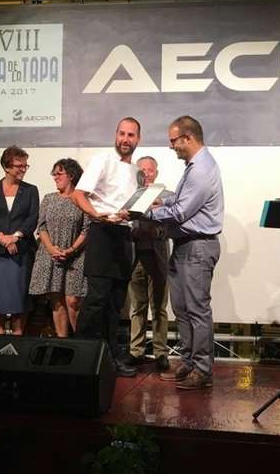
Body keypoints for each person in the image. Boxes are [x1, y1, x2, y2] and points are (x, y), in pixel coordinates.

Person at [147, 116, 224, 390]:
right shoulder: (194, 167)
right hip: (184, 246)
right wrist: (162, 199)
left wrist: (145, 211)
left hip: (197, 246)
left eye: (173, 141)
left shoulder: (201, 169)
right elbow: (180, 200)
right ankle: (190, 363)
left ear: (188, 137)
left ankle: (202, 370)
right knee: (181, 308)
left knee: (197, 310)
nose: (171, 146)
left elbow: (180, 212)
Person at [71, 117, 141, 377]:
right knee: (97, 299)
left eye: (131, 135)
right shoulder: (102, 160)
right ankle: (81, 357)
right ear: (116, 135)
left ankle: (111, 358)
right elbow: (79, 194)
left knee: (116, 302)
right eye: (122, 133)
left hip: (125, 236)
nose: (125, 139)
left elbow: (134, 206)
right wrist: (95, 215)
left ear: (138, 139)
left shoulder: (137, 171)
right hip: (102, 232)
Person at [0, 146, 39, 336]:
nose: (23, 169)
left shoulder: (30, 190)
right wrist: (1, 237)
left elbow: (32, 218)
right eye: (18, 166)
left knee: (18, 298)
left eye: (25, 166)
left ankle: (17, 340)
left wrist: (15, 237)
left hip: (20, 251)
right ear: (6, 167)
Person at [29, 159, 89, 338]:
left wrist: (71, 249)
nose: (55, 177)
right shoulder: (49, 199)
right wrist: (52, 249)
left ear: (71, 175)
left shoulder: (81, 198)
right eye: (53, 174)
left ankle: (81, 344)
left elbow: (87, 229)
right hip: (51, 254)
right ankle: (63, 343)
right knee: (56, 301)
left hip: (76, 256)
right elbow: (41, 227)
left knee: (73, 300)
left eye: (59, 173)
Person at [124, 156, 174, 372]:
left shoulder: (168, 196)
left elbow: (174, 224)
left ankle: (161, 352)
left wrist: (157, 230)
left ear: (156, 172)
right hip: (135, 257)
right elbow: (122, 221)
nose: (146, 173)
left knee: (159, 307)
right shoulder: (129, 196)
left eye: (150, 170)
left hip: (158, 256)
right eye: (142, 170)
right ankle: (136, 351)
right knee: (138, 306)